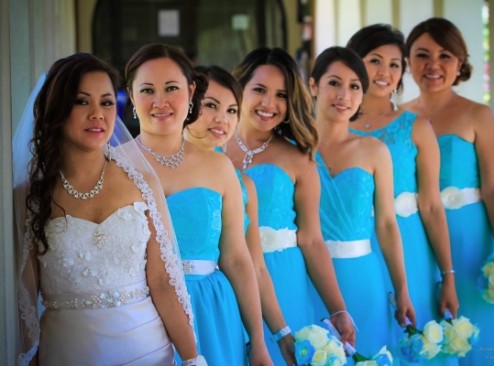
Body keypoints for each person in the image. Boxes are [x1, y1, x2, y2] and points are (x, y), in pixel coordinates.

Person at [12, 53, 205, 365]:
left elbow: (162, 282)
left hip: (149, 352)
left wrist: (194, 358)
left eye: (105, 102)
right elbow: (21, 301)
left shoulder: (141, 183)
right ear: (57, 109)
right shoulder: (28, 198)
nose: (97, 114)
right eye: (81, 102)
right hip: (67, 354)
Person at [125, 44, 271, 366]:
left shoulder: (219, 168)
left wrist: (258, 340)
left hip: (212, 309)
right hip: (140, 313)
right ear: (132, 96)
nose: (160, 101)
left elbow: (236, 258)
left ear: (191, 92)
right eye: (147, 90)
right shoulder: (116, 165)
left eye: (172, 88)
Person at [224, 46, 356, 365]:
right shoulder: (210, 148)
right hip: (224, 281)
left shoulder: (299, 160)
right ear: (239, 88)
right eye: (259, 90)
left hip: (282, 279)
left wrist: (338, 309)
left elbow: (311, 239)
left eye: (281, 95)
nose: (270, 104)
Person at [402, 17, 494, 366]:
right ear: (408, 61)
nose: (433, 65)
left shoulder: (479, 116)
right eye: (422, 55)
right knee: (430, 334)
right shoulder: (400, 119)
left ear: (460, 62)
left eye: (445, 56)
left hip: (471, 243)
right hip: (419, 240)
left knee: (484, 333)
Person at [346, 24, 459, 364]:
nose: (385, 72)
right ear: (354, 63)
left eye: (395, 64)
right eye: (375, 60)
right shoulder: (329, 129)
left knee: (413, 338)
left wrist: (448, 276)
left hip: (409, 247)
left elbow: (432, 205)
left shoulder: (416, 127)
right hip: (353, 248)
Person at [308, 46, 415, 358]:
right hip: (307, 276)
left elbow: (385, 223)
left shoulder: (374, 151)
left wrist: (402, 288)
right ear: (313, 86)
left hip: (362, 276)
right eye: (334, 83)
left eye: (354, 86)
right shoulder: (292, 148)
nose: (344, 95)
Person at [186, 65, 296, 365]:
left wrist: (276, 334)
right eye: (211, 106)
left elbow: (252, 266)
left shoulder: (242, 184)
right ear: (187, 102)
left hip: (215, 310)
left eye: (232, 110)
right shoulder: (151, 169)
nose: (222, 119)